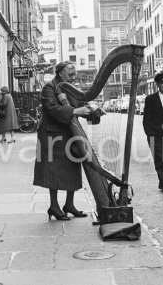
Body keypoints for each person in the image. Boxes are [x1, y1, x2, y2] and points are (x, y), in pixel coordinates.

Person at [33, 61, 92, 221]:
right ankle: (53, 206)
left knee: (73, 167)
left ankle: (69, 205)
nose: (74, 77)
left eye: (75, 74)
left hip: (69, 132)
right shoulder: (49, 87)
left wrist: (92, 111)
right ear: (60, 73)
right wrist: (74, 110)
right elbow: (52, 108)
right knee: (54, 170)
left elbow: (81, 104)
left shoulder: (69, 88)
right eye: (70, 74)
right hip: (52, 135)